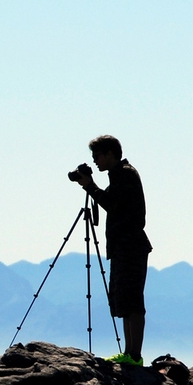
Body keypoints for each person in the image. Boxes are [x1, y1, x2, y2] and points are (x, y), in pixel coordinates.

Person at [69, 135, 151, 365]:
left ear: (109, 154)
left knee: (133, 302)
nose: (95, 161)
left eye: (97, 156)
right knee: (124, 301)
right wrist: (92, 186)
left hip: (131, 246)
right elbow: (112, 202)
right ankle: (129, 354)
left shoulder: (125, 174)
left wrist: (90, 186)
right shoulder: (119, 175)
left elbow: (111, 204)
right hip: (123, 246)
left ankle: (135, 356)